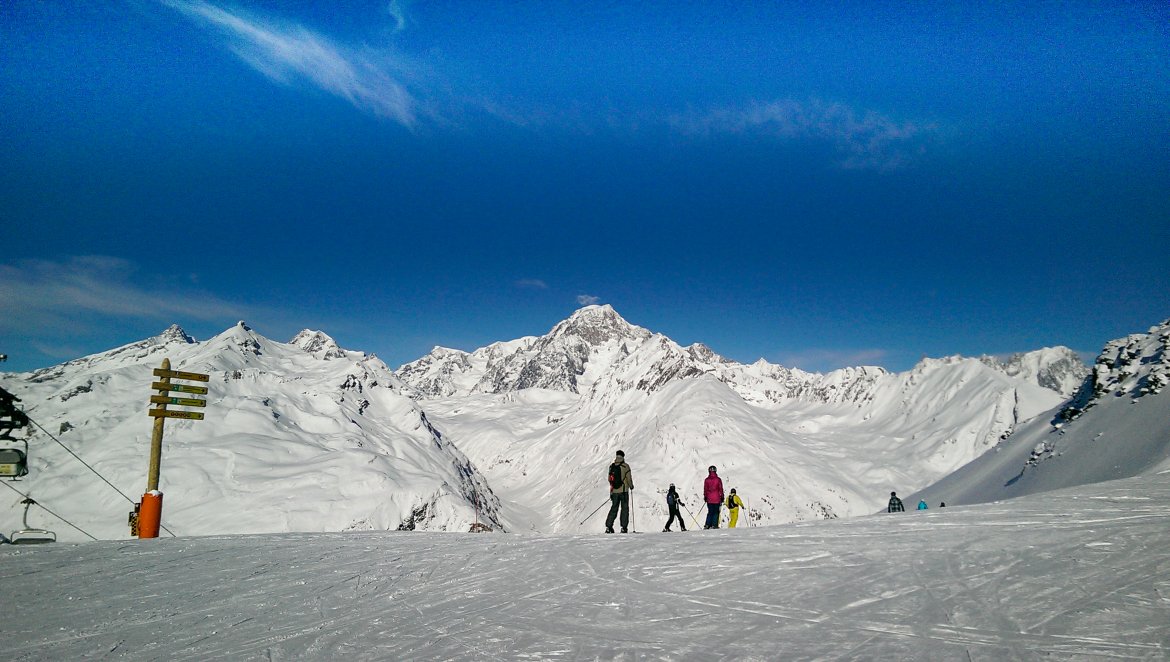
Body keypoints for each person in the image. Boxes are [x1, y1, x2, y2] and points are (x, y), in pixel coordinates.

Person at [605, 450, 634, 533]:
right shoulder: (625, 466)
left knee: (614, 508)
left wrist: (613, 489)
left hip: (614, 491)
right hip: (624, 491)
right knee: (624, 509)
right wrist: (631, 486)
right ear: (623, 456)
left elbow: (609, 479)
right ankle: (623, 527)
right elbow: (629, 479)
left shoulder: (612, 466)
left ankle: (608, 526)